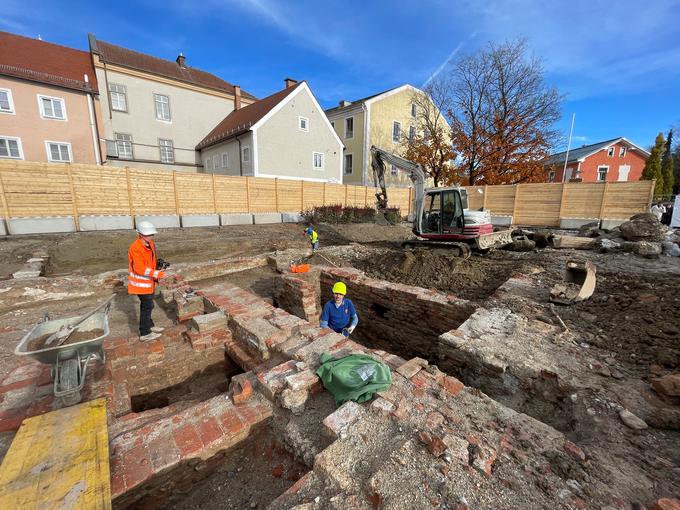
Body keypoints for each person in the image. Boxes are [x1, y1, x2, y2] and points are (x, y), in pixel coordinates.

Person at [128, 221, 169, 341]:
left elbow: (150, 261)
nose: (151, 236)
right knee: (146, 306)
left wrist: (158, 265)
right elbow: (139, 268)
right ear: (140, 234)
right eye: (148, 234)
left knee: (149, 305)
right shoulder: (135, 247)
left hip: (149, 283)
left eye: (152, 234)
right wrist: (158, 274)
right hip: (141, 284)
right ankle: (145, 333)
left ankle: (150, 326)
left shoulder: (150, 244)